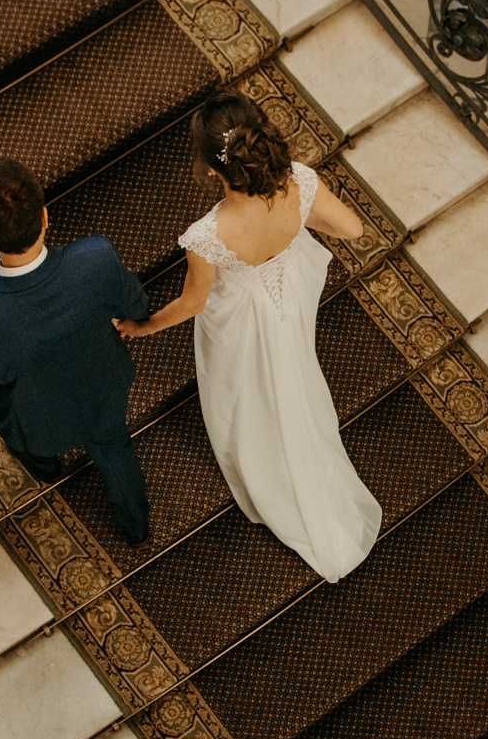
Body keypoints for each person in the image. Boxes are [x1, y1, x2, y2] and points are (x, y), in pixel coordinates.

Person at [113, 92, 379, 582]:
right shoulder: (298, 179)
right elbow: (352, 228)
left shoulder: (207, 234)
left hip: (243, 316)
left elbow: (193, 304)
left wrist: (142, 325)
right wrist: (296, 220)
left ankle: (260, 452)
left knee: (244, 383)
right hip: (291, 290)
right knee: (292, 358)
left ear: (212, 168)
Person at [0, 157, 151, 543]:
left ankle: (49, 470)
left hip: (33, 423)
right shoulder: (97, 257)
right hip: (103, 392)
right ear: (45, 215)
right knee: (116, 451)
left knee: (33, 451)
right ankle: (136, 526)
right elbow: (136, 306)